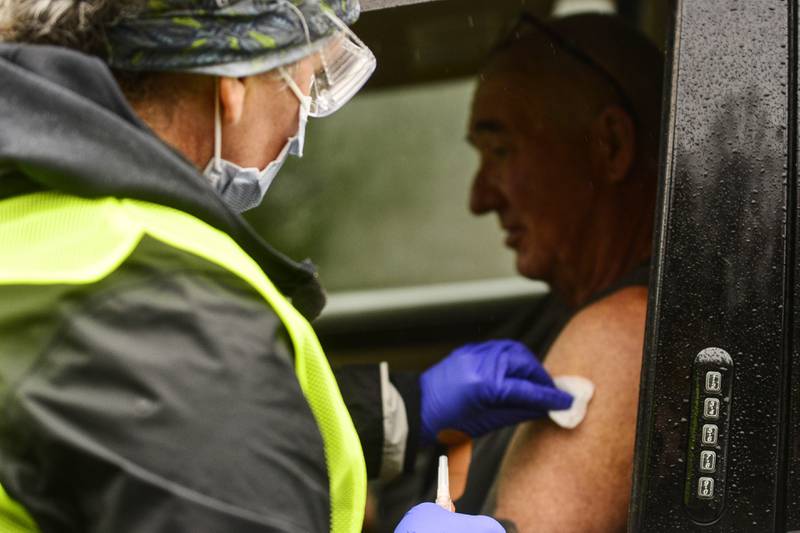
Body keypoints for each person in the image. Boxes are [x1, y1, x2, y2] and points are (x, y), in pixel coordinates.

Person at [0, 1, 573, 532]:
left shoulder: (43, 225)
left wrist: (403, 409)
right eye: (308, 85)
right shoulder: (173, 319)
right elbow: (187, 415)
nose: (300, 128)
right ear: (235, 81)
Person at [459, 12, 664, 531]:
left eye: (502, 151)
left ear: (610, 146)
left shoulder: (618, 337)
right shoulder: (555, 313)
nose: (479, 199)